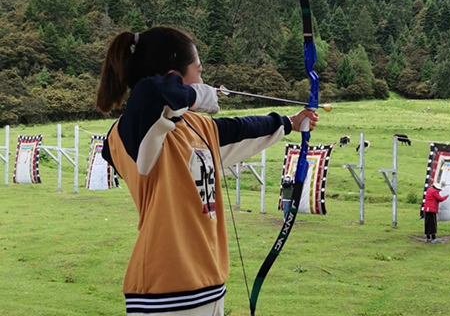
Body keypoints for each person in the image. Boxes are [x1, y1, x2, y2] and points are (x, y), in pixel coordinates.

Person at [96, 26, 318, 316]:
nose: (202, 79)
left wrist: (290, 121)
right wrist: (194, 94)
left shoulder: (199, 127)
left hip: (210, 285)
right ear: (176, 75)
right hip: (165, 291)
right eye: (198, 72)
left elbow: (244, 129)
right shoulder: (128, 133)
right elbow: (150, 94)